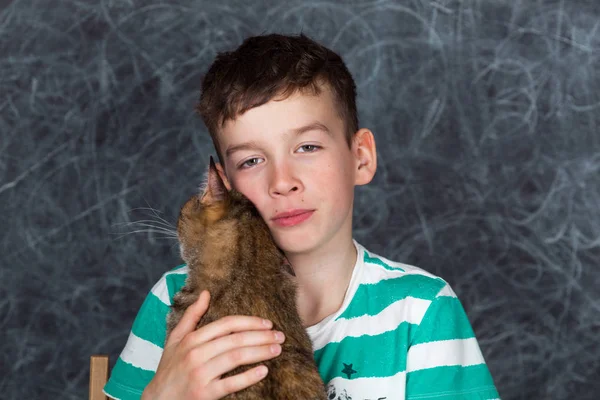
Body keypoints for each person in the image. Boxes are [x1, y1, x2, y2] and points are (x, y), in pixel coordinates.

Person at [103, 33, 500, 400]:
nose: (282, 181)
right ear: (222, 191)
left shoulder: (421, 309)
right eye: (253, 160)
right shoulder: (174, 301)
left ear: (360, 158)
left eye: (307, 147)